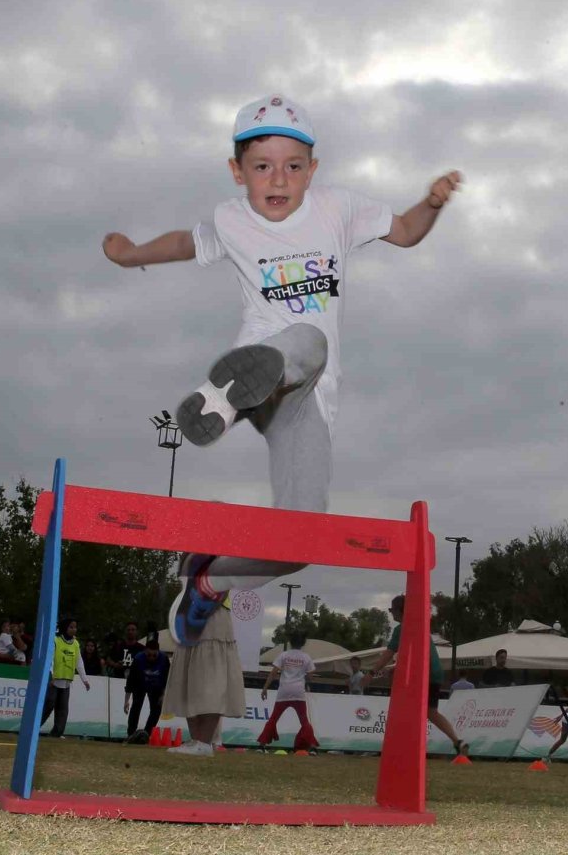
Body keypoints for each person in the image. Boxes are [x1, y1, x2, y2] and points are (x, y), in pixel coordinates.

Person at [103, 95, 461, 648]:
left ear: (312, 171)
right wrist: (131, 255)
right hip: (269, 362)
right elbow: (184, 242)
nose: (278, 179)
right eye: (262, 167)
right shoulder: (230, 219)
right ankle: (228, 395)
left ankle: (209, 580)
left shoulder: (338, 209)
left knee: (301, 541)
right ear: (237, 172)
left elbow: (407, 232)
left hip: (307, 402)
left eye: (293, 167)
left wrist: (432, 202)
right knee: (308, 339)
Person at [362, 594, 469, 757]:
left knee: (406, 708)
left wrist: (371, 673)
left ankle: (404, 747)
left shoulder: (401, 629)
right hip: (435, 672)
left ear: (399, 610)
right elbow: (415, 655)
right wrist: (396, 668)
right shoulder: (421, 626)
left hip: (422, 674)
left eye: (392, 610)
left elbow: (388, 654)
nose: (391, 613)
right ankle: (457, 741)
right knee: (431, 712)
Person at [162, 602, 245, 757]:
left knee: (211, 680)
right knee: (187, 678)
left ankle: (204, 741)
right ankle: (196, 740)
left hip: (212, 610)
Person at [257, 629, 319, 752]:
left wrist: (265, 688)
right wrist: (304, 674)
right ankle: (312, 747)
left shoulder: (284, 655)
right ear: (303, 643)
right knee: (304, 720)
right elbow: (311, 676)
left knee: (274, 718)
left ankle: (262, 745)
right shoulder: (306, 657)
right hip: (298, 692)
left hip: (284, 690)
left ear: (290, 642)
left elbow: (274, 673)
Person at [41, 618, 90, 738]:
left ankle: (57, 733)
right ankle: (34, 726)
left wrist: (85, 680)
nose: (74, 629)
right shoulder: (56, 640)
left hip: (67, 681)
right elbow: (50, 659)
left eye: (75, 627)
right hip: (54, 680)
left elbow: (79, 662)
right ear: (64, 627)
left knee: (63, 708)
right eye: (71, 627)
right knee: (49, 704)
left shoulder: (76, 643)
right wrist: (51, 675)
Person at [124, 639, 170, 743]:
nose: (151, 658)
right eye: (149, 655)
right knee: (136, 706)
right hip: (140, 684)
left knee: (157, 709)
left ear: (158, 652)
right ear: (145, 651)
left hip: (156, 686)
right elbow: (130, 681)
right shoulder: (138, 659)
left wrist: (164, 694)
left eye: (154, 655)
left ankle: (146, 734)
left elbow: (168, 678)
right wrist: (126, 701)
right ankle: (131, 734)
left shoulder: (164, 659)